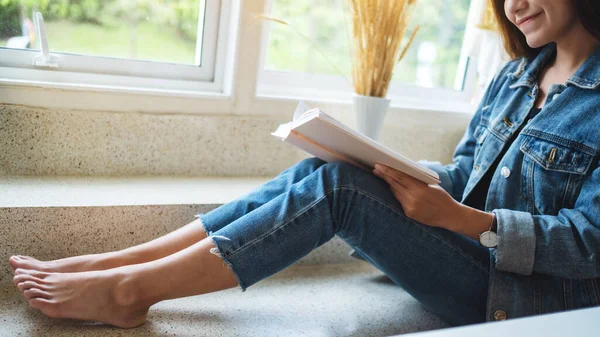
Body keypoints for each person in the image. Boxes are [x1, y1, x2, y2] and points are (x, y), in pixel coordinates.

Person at [9, 0, 600, 329]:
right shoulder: (518, 75)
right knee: (332, 170)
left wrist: (459, 221)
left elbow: (590, 243)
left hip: (519, 297)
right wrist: (399, 171)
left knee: (340, 189)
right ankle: (125, 261)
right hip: (470, 255)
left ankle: (129, 291)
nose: (513, 4)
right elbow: (468, 169)